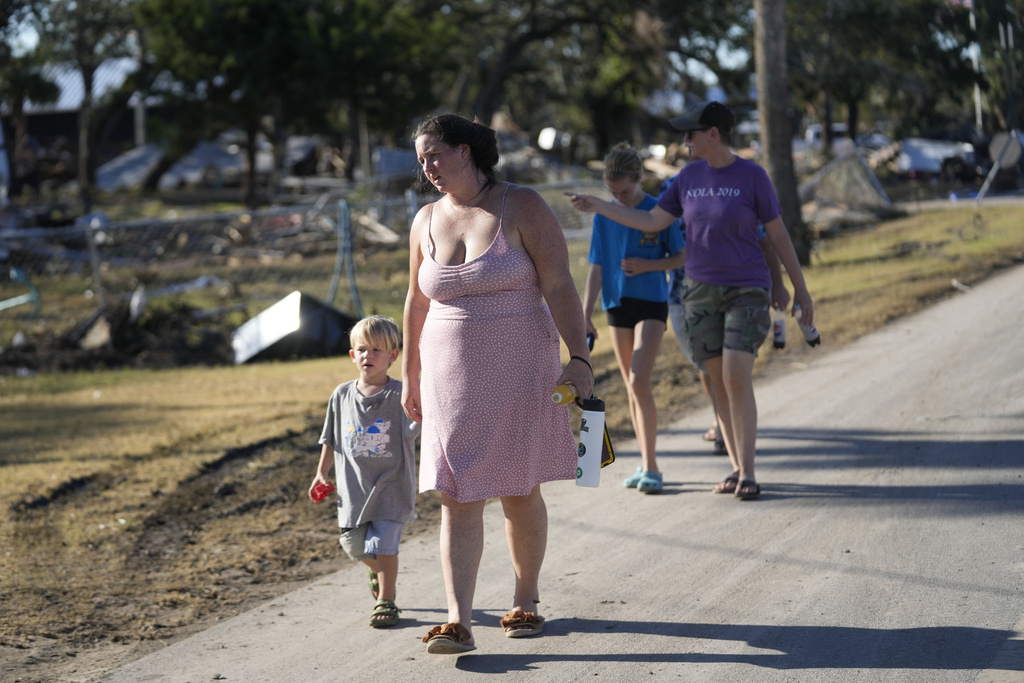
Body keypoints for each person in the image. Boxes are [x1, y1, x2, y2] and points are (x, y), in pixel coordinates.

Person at [402, 113, 593, 654]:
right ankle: (458, 620)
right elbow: (417, 299)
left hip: (520, 367)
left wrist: (578, 356)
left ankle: (525, 600)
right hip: (446, 376)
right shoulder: (424, 220)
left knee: (517, 488)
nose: (427, 167)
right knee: (455, 493)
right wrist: (410, 374)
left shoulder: (522, 205)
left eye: (435, 154)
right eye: (422, 159)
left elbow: (558, 282)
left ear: (467, 151)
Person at [568, 100, 813, 501]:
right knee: (717, 379)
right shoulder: (686, 178)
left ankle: (748, 472)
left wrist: (796, 288)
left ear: (712, 133)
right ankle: (736, 468)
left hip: (747, 288)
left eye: (691, 133)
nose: (685, 140)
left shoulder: (753, 177)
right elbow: (651, 221)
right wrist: (598, 206)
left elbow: (778, 235)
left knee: (735, 373)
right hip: (699, 293)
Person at [582, 143, 684, 494]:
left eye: (624, 191)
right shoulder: (604, 215)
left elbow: (681, 255)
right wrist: (584, 315)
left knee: (639, 381)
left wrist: (649, 265)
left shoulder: (658, 211)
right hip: (616, 305)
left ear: (639, 178)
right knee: (630, 386)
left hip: (652, 303)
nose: (619, 199)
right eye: (612, 193)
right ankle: (644, 462)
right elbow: (595, 265)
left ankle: (653, 467)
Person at [309, 315, 420, 629]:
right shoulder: (341, 395)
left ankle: (386, 600)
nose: (367, 356)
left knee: (382, 545)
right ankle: (379, 573)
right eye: (361, 350)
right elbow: (329, 438)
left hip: (391, 486)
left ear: (393, 356)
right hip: (353, 490)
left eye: (376, 350)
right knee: (353, 546)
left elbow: (419, 425)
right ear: (351, 355)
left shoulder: (401, 394)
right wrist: (321, 474)